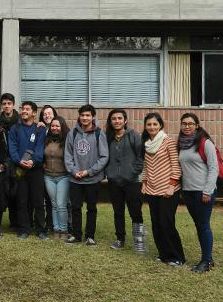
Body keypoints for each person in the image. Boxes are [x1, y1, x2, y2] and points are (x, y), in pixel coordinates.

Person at [141, 112, 185, 266]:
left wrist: (172, 185)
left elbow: (175, 165)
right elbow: (146, 166)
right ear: (145, 127)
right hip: (152, 189)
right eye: (149, 124)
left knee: (166, 223)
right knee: (156, 223)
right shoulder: (147, 143)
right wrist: (144, 182)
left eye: (154, 124)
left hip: (168, 189)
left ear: (160, 125)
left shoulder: (168, 142)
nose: (152, 127)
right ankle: (164, 255)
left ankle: (177, 257)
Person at [178, 113, 218, 272]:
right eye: (184, 124)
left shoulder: (205, 143)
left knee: (203, 225)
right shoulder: (182, 144)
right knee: (199, 225)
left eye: (190, 124)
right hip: (188, 192)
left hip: (203, 191)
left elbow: (214, 168)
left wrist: (207, 191)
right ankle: (208, 257)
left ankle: (206, 262)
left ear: (197, 126)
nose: (187, 126)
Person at [65, 104, 108, 246]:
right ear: (79, 116)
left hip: (92, 179)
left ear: (93, 117)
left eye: (88, 115)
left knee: (91, 208)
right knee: (75, 207)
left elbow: (104, 157)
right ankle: (76, 235)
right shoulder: (73, 133)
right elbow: (68, 155)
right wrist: (73, 171)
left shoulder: (99, 133)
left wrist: (88, 172)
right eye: (82, 115)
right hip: (75, 178)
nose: (84, 118)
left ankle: (90, 236)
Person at [104, 109, 145, 252]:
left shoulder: (133, 135)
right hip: (114, 181)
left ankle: (139, 241)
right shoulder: (107, 137)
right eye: (114, 119)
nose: (117, 121)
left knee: (135, 212)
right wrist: (109, 173)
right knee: (118, 211)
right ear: (110, 121)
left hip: (132, 181)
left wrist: (133, 172)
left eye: (119, 118)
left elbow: (141, 157)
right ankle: (120, 239)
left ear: (125, 121)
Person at [8, 101, 47, 240]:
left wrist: (34, 160)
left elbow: (41, 147)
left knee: (38, 201)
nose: (24, 111)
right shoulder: (15, 129)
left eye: (27, 109)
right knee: (22, 200)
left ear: (34, 113)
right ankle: (24, 229)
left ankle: (41, 229)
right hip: (20, 170)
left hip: (35, 170)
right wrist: (19, 161)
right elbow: (12, 147)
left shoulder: (40, 129)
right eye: (23, 109)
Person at [43, 116, 70, 239]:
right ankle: (56, 229)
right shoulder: (46, 140)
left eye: (57, 126)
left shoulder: (67, 141)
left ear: (62, 127)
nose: (54, 128)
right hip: (48, 176)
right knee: (54, 204)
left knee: (61, 204)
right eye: (53, 126)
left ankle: (64, 230)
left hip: (63, 177)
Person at [0, 92, 20, 229]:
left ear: (13, 105)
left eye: (9, 104)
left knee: (17, 190)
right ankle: (3, 223)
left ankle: (17, 221)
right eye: (4, 104)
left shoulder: (20, 120)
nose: (6, 106)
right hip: (3, 160)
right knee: (4, 190)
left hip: (17, 159)